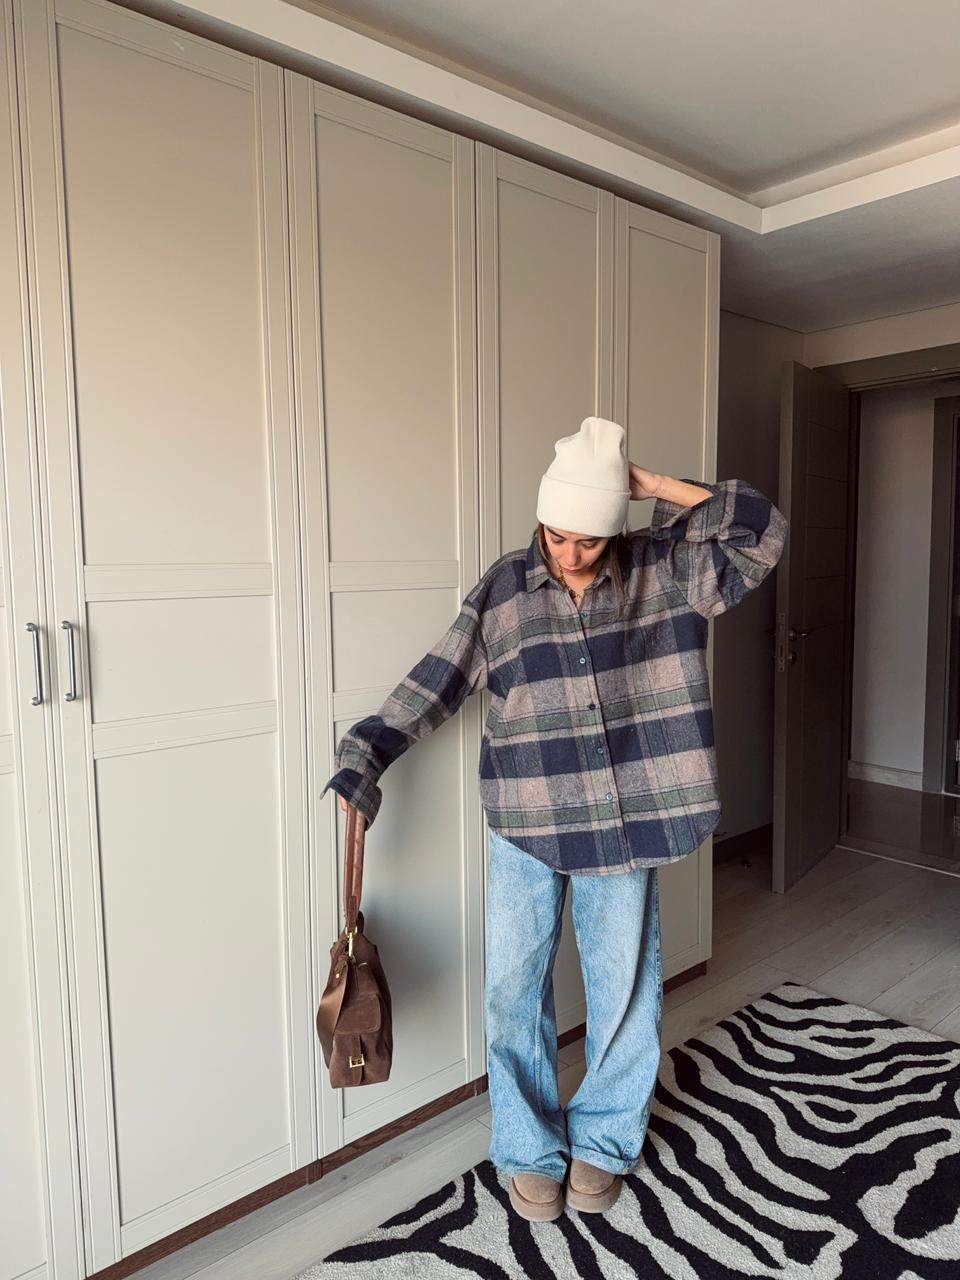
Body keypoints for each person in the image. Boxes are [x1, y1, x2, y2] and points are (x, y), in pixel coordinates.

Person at [321, 416, 788, 1221]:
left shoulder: (668, 569)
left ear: (615, 527)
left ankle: (603, 1142)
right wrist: (366, 753)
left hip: (626, 822)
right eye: (558, 535)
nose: (570, 554)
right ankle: (529, 1148)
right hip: (527, 822)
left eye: (589, 539)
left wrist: (650, 485)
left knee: (623, 993)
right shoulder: (504, 590)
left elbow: (761, 530)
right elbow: (437, 680)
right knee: (514, 992)